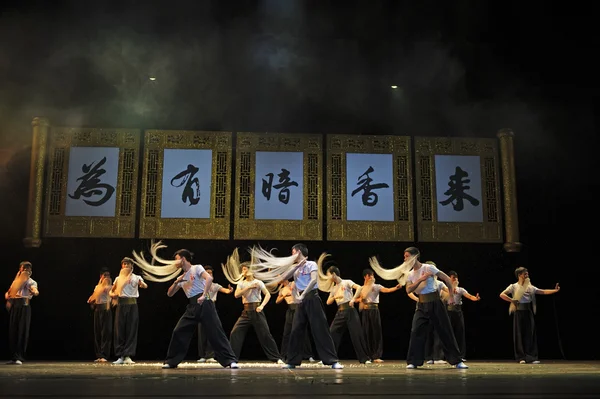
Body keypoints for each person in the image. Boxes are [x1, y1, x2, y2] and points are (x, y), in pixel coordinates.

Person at [131, 243, 238, 369]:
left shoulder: (197, 268)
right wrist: (177, 282)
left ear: (182, 258)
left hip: (205, 302)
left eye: (176, 259)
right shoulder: (181, 277)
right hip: (192, 306)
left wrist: (204, 295)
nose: (175, 262)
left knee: (216, 332)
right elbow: (170, 293)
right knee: (179, 331)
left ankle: (230, 361)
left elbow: (208, 278)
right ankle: (171, 361)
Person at [249, 243, 343, 369]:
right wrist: (297, 267)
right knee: (296, 330)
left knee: (320, 329)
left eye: (293, 252)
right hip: (300, 300)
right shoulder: (296, 268)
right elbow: (283, 277)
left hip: (311, 298)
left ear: (298, 252)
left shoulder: (311, 264)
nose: (292, 254)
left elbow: (314, 280)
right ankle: (292, 361)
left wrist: (302, 295)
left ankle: (332, 361)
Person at [499, 267, 560, 364]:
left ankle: (531, 357)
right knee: (519, 335)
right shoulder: (513, 286)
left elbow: (542, 291)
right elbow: (502, 294)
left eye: (527, 274)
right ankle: (521, 357)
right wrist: (512, 300)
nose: (527, 276)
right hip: (518, 312)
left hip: (528, 312)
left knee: (529, 334)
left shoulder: (530, 287)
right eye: (525, 274)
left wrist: (555, 290)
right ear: (519, 275)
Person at [228, 261, 283, 363]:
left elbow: (268, 295)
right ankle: (232, 359)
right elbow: (236, 295)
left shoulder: (258, 282)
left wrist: (261, 306)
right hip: (246, 311)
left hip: (256, 310)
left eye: (245, 269)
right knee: (234, 333)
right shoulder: (241, 283)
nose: (243, 271)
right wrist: (248, 287)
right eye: (243, 269)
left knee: (265, 334)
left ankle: (277, 358)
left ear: (251, 270)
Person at [353, 268, 402, 363]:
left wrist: (396, 288)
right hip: (365, 311)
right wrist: (360, 300)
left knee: (376, 332)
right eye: (369, 276)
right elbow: (355, 299)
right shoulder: (361, 288)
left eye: (372, 275)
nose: (371, 277)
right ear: (365, 277)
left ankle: (376, 356)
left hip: (374, 310)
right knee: (366, 333)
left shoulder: (376, 286)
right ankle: (367, 355)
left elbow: (386, 290)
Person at [325, 266, 371, 364]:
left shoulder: (347, 282)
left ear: (333, 274)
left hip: (350, 310)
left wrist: (353, 299)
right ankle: (329, 357)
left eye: (328, 275)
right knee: (332, 332)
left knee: (356, 334)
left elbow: (359, 287)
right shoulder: (333, 288)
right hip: (340, 312)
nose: (328, 278)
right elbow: (328, 302)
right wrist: (335, 296)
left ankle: (364, 358)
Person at [110, 257, 147, 364]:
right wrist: (113, 295)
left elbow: (144, 285)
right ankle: (120, 355)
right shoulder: (118, 279)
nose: (126, 266)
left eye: (128, 264)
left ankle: (128, 355)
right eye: (124, 264)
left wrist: (142, 284)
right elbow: (111, 292)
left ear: (132, 266)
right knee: (119, 330)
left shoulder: (136, 277)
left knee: (131, 329)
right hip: (121, 305)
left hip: (132, 305)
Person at [197, 265, 233, 363]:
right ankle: (202, 355)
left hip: (211, 307)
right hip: (201, 307)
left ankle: (210, 355)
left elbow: (225, 290)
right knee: (202, 333)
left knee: (212, 332)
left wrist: (229, 290)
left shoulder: (215, 285)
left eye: (211, 273)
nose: (209, 274)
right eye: (207, 272)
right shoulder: (200, 285)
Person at [5, 261, 39, 365]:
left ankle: (20, 356)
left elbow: (35, 290)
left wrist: (34, 292)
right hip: (15, 307)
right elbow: (9, 293)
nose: (26, 271)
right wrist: (8, 295)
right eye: (24, 269)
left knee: (21, 331)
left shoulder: (31, 282)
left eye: (28, 270)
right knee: (13, 331)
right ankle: (14, 356)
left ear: (30, 271)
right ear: (20, 270)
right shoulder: (16, 282)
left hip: (24, 307)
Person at [276, 279, 315, 363]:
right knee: (287, 333)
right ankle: (283, 355)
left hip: (298, 308)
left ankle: (309, 355)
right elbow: (277, 301)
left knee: (303, 332)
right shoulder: (282, 290)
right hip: (290, 310)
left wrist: (293, 289)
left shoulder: (293, 283)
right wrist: (283, 296)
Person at [446, 270, 480, 361]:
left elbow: (469, 296)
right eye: (453, 278)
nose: (455, 280)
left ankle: (460, 355)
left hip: (458, 312)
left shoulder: (460, 289)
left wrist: (475, 298)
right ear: (449, 278)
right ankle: (447, 356)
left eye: (456, 278)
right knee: (448, 333)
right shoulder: (445, 288)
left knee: (459, 333)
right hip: (448, 311)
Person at [87, 267, 113, 363]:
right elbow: (92, 298)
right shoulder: (97, 287)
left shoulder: (110, 287)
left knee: (106, 333)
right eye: (104, 275)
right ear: (101, 277)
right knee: (97, 332)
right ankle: (99, 355)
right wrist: (91, 300)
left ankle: (105, 355)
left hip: (106, 310)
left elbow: (112, 295)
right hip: (98, 310)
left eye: (108, 275)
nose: (106, 277)